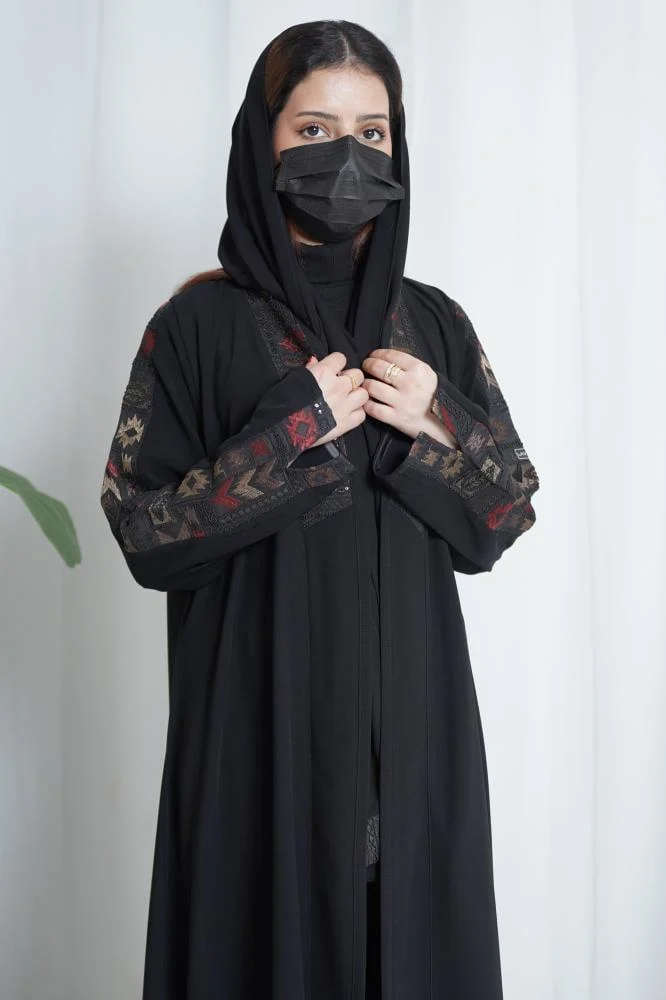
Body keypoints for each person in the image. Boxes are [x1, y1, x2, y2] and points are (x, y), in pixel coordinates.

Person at [100, 19, 539, 1000]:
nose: (347, 157)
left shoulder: (434, 323)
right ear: (260, 143)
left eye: (371, 133)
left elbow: (506, 512)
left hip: (416, 749)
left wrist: (436, 419)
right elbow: (143, 533)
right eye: (313, 130)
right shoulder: (194, 326)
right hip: (260, 748)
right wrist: (286, 434)